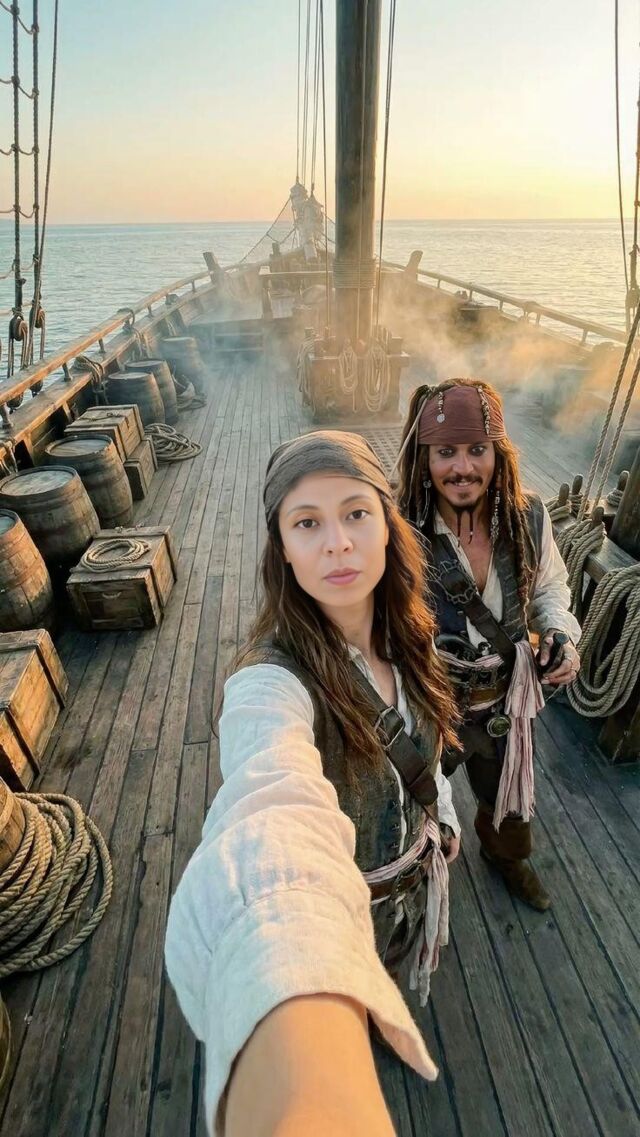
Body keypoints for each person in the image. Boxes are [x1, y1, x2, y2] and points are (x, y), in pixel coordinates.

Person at [165, 430, 461, 1137]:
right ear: (284, 550)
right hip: (342, 907)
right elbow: (270, 800)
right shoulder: (270, 684)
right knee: (357, 979)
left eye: (356, 513)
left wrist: (442, 816)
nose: (337, 543)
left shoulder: (410, 635)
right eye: (307, 523)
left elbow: (426, 754)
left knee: (389, 968)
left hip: (411, 882)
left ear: (387, 527)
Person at [396, 378, 582, 912]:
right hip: (426, 700)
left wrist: (560, 634)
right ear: (425, 457)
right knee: (409, 803)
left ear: (498, 453)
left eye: (477, 449)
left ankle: (506, 858)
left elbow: (549, 587)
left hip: (502, 702)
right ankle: (409, 881)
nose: (463, 467)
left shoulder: (529, 517)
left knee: (508, 798)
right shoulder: (400, 528)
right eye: (445, 452)